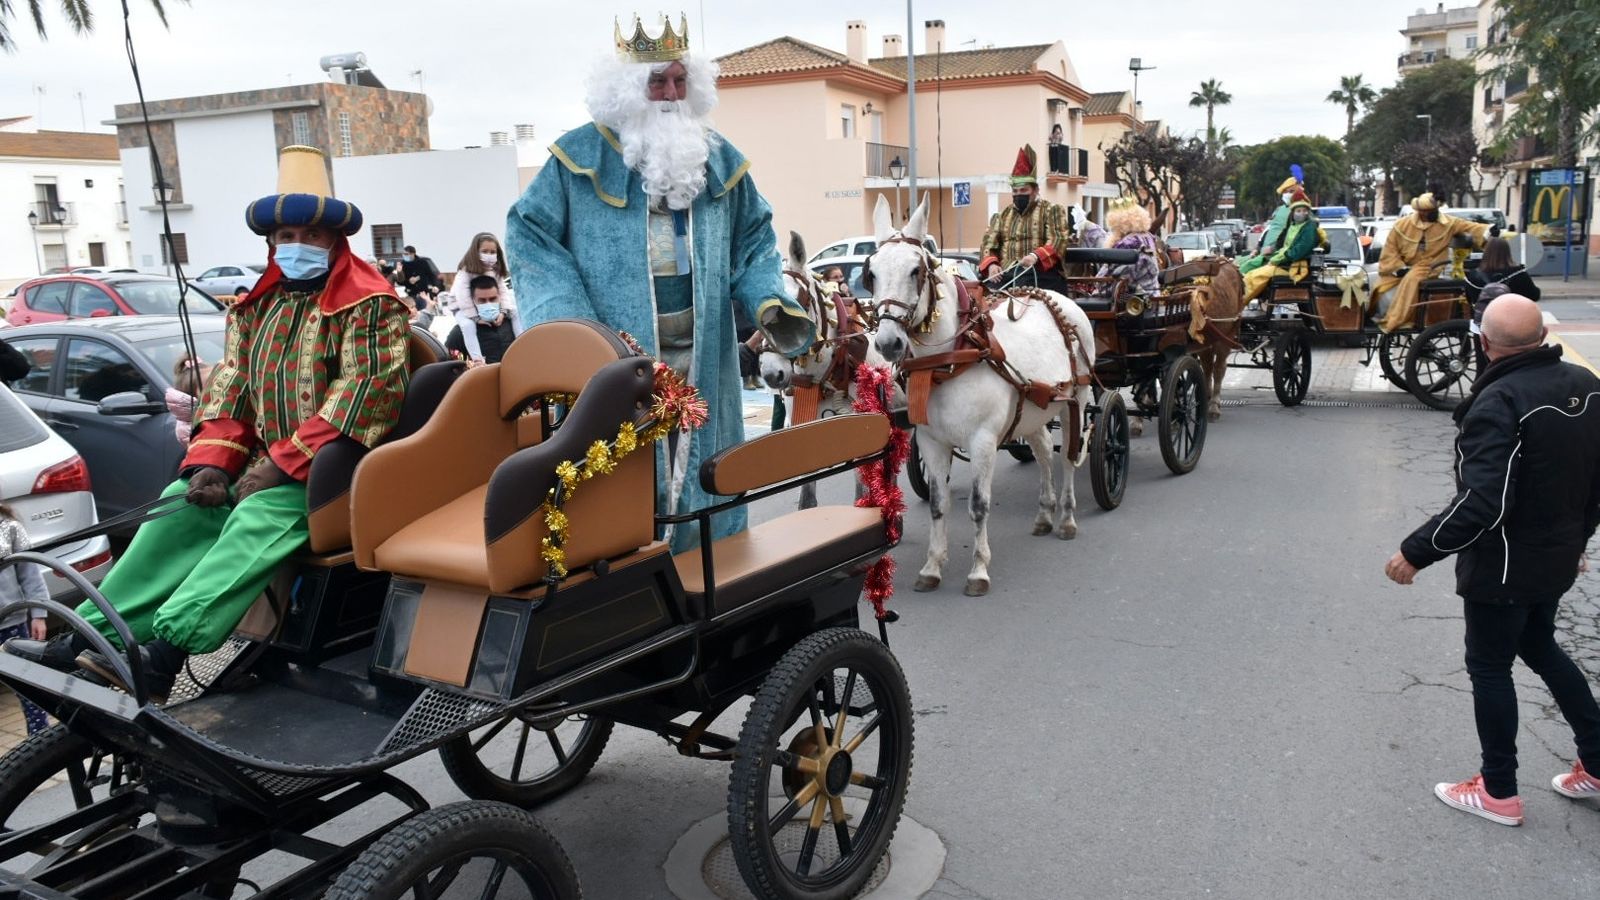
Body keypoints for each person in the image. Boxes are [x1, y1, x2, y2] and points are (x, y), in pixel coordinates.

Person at [2, 145, 411, 702]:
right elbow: (230, 394)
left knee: (257, 517)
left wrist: (282, 465)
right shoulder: (252, 310)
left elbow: (366, 393)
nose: (296, 247)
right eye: (286, 237)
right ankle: (87, 637)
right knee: (179, 506)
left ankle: (166, 654)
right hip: (264, 467)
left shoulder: (370, 305)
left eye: (310, 237)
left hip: (340, 472)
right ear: (270, 243)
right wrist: (212, 465)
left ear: (335, 242)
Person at [506, 13, 813, 550]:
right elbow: (531, 237)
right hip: (614, 363)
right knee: (618, 476)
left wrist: (768, 299)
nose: (670, 94)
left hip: (704, 360)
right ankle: (629, 587)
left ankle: (709, 571)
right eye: (657, 82)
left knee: (705, 471)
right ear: (625, 88)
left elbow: (754, 241)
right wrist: (580, 333)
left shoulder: (719, 159)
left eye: (679, 80)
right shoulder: (574, 159)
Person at [1385, 294, 1600, 826]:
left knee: (1489, 666)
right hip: (1554, 557)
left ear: (1483, 343)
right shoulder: (1586, 385)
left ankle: (1498, 790)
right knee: (1541, 646)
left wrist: (1415, 552)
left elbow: (1482, 502)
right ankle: (1596, 762)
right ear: (1542, 336)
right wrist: (1577, 543)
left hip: (1504, 566)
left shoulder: (1498, 401)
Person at [1374, 193, 1493, 332]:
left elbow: (1470, 227)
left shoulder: (1448, 223)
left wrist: (1488, 230)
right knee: (1380, 287)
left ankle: (1401, 318)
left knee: (1413, 278)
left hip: (1431, 268)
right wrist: (1397, 267)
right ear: (1419, 211)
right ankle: (1384, 315)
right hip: (1404, 268)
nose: (1427, 214)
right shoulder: (1402, 225)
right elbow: (1390, 249)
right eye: (1424, 211)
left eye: (1430, 211)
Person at [979, 144, 1075, 292]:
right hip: (1006, 273)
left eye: (1024, 190)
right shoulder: (1002, 215)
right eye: (1015, 191)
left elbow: (1058, 240)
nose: (1018, 194)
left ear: (1035, 190)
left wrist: (1035, 256)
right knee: (980, 294)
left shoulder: (1051, 210)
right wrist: (992, 265)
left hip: (1041, 273)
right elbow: (988, 244)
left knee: (1023, 287)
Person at [0, 503, 50, 734]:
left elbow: (30, 573)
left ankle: (39, 740)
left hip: (10, 624)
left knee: (29, 691)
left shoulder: (10, 528)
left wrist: (38, 614)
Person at [447, 233, 523, 364]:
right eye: (485, 251)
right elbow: (463, 296)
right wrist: (475, 317)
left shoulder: (495, 270)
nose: (489, 255)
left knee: (516, 312)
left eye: (492, 252)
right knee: (468, 325)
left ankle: (524, 346)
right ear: (475, 252)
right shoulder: (465, 271)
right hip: (461, 308)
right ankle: (478, 360)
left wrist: (503, 311)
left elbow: (503, 291)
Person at [1241, 199, 1319, 302]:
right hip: (1283, 262)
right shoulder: (1292, 226)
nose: (1302, 213)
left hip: (1292, 266)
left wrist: (1279, 260)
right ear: (1292, 213)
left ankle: (1240, 302)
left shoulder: (1309, 229)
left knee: (1256, 276)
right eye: (1298, 211)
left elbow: (1299, 251)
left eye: (1304, 211)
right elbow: (1281, 245)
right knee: (1250, 274)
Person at [1238, 173, 1304, 276]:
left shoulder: (1298, 212)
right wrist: (1258, 248)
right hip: (1263, 252)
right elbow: (1269, 229)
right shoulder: (1280, 209)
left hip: (1276, 255)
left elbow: (1291, 236)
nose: (1287, 194)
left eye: (1291, 191)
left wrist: (1272, 249)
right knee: (1236, 263)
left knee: (1244, 271)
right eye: (1285, 192)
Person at [447, 275, 518, 365]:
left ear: (500, 297)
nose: (488, 304)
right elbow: (451, 363)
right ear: (472, 300)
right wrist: (470, 365)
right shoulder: (460, 332)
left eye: (493, 299)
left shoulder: (513, 324)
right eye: (482, 301)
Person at [1099, 197, 1161, 296]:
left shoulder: (1128, 243)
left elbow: (1108, 280)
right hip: (1152, 294)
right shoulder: (1147, 236)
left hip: (1133, 300)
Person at [1466, 237, 1539, 307]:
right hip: (1514, 317)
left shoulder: (1474, 275)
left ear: (1486, 252)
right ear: (1508, 252)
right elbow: (1534, 296)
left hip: (1485, 318)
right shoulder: (1519, 274)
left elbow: (1470, 299)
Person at [398, 244, 442, 312]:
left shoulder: (422, 262)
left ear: (413, 254)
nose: (404, 256)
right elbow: (400, 282)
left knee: (425, 312)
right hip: (411, 294)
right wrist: (408, 280)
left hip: (423, 293)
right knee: (413, 314)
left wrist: (435, 285)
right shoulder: (402, 264)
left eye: (406, 254)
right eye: (403, 254)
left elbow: (431, 275)